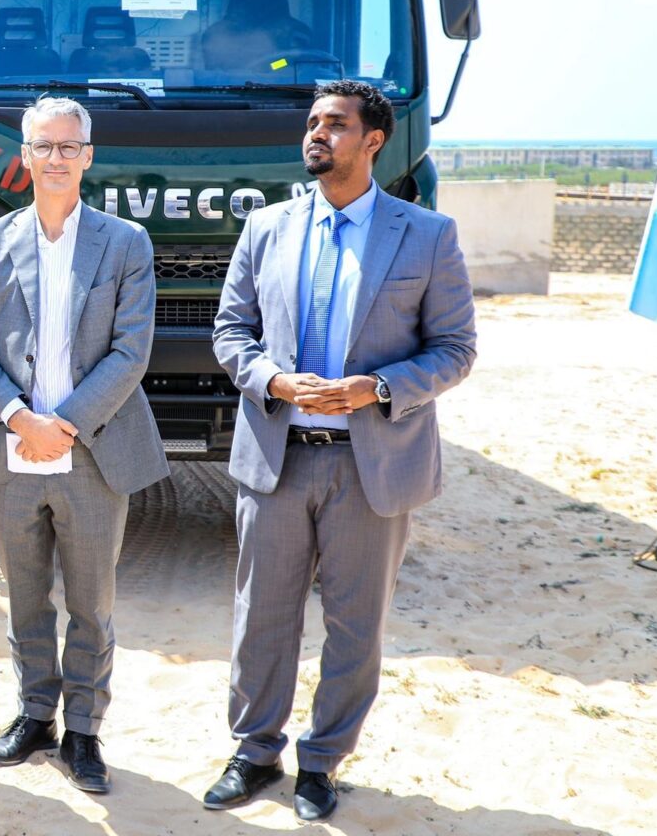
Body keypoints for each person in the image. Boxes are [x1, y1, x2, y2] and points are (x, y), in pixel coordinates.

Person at [204, 80, 476, 821]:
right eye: (314, 122)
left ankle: (321, 764)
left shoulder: (427, 236)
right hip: (277, 457)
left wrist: (377, 389)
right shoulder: (266, 228)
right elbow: (231, 333)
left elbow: (456, 350)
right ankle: (254, 753)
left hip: (373, 465)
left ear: (374, 141)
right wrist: (274, 379)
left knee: (357, 626)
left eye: (335, 124)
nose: (317, 134)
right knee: (262, 616)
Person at [0, 96, 168, 795]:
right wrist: (21, 418)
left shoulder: (126, 243)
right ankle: (34, 716)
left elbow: (131, 352)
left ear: (88, 157)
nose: (55, 158)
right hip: (11, 451)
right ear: (24, 155)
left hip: (93, 451)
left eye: (68, 147)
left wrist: (64, 423)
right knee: (23, 601)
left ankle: (83, 732)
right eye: (42, 146)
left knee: (91, 603)